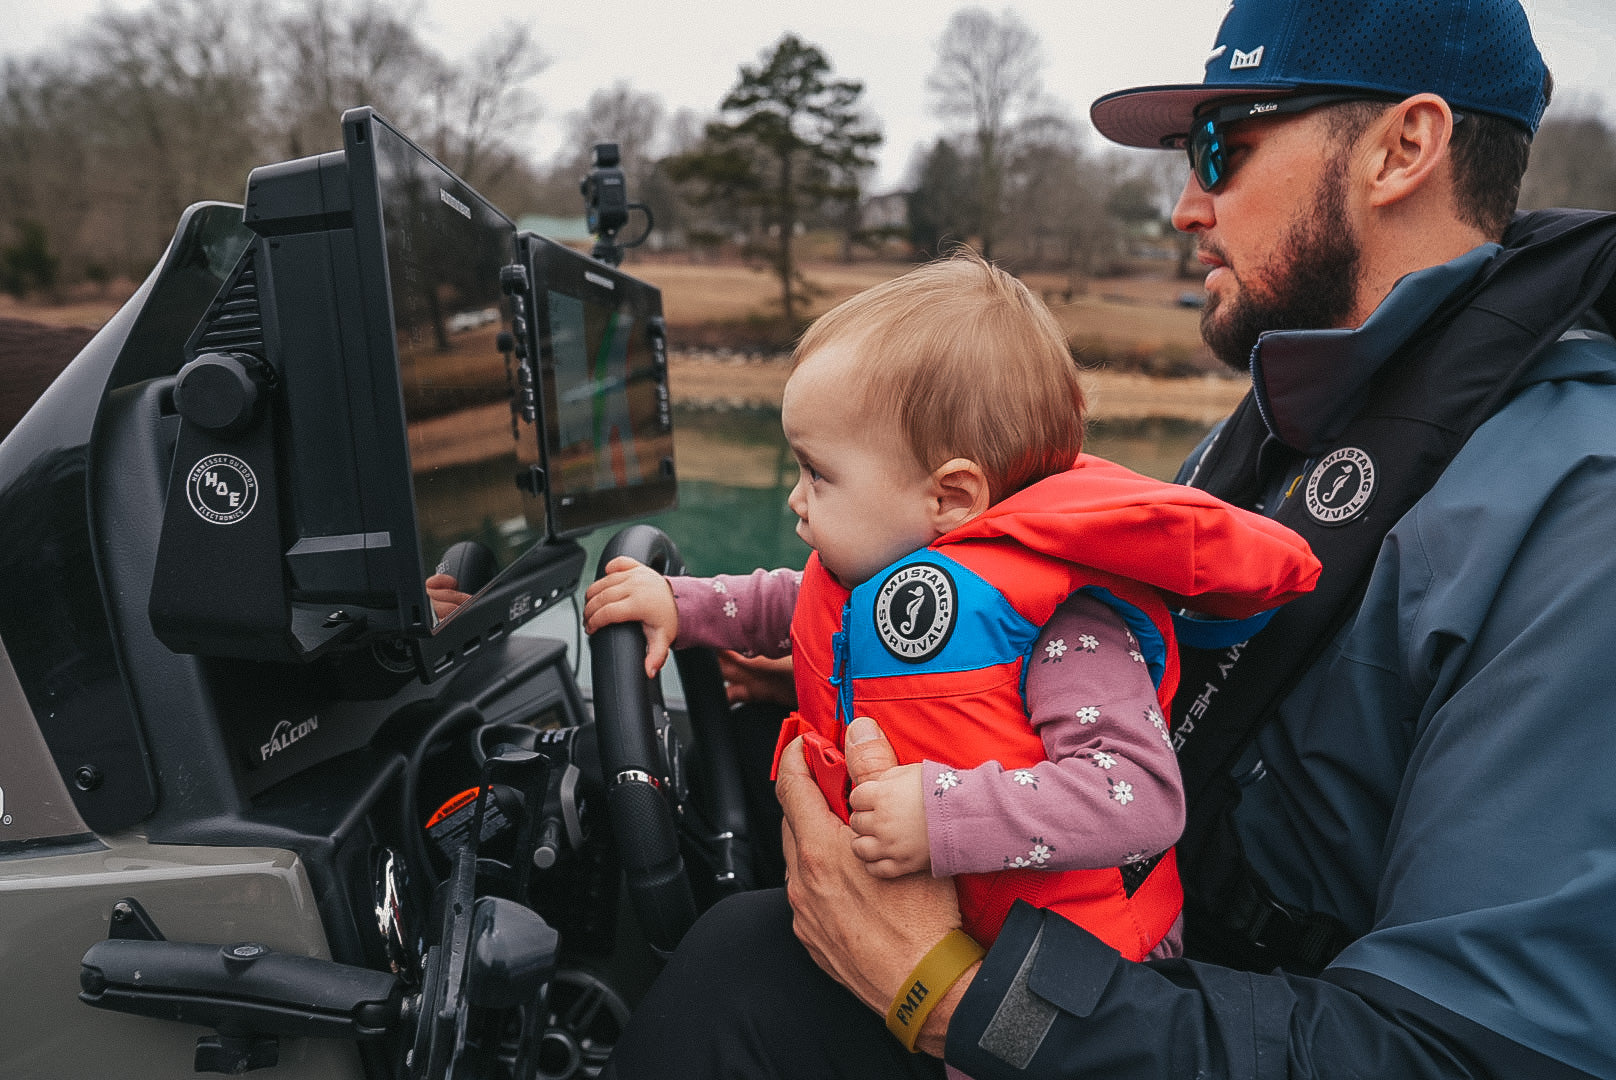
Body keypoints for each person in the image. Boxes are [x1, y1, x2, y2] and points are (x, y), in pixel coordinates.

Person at [602, 0, 1616, 1076]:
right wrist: (838, 668)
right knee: (743, 933)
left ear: (1401, 147)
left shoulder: (1576, 520)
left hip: (1136, 1001)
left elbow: (1470, 1055)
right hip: (1114, 936)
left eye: (1220, 147)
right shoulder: (1288, 430)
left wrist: (958, 999)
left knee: (732, 975)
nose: (1184, 206)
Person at [584, 255, 1319, 963]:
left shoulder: (1067, 625)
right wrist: (679, 604)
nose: (794, 497)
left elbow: (1139, 799)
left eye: (818, 473)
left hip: (1058, 977)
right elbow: (789, 599)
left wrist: (943, 816)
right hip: (921, 920)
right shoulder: (872, 565)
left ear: (950, 498)